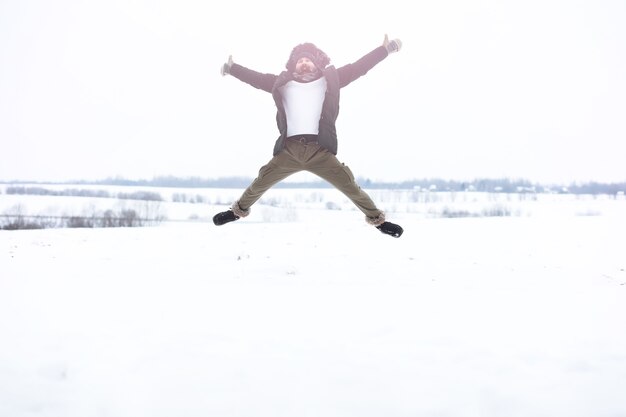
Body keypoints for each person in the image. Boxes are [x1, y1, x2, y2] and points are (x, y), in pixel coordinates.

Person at [213, 35, 404, 238]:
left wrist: (385, 49)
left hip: (319, 150)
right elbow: (256, 79)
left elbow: (359, 67)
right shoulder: (282, 83)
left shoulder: (331, 80)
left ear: (316, 62)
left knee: (350, 185)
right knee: (260, 181)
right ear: (294, 65)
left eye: (308, 59)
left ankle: (378, 220)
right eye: (300, 60)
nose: (304, 62)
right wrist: (232, 68)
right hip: (289, 151)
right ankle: (236, 212)